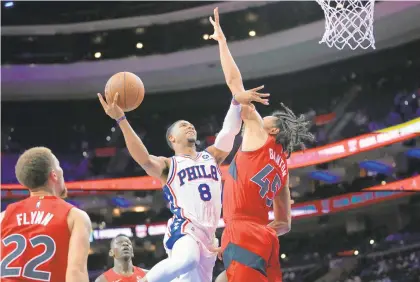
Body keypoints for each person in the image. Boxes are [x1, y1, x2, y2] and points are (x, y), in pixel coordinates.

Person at [98, 80, 268, 281]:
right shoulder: (169, 165)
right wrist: (121, 120)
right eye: (182, 126)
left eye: (190, 124)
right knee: (187, 260)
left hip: (209, 235)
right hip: (184, 228)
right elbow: (143, 158)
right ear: (172, 138)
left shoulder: (211, 156)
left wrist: (235, 103)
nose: (189, 126)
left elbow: (229, 132)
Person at [209, 7, 315, 282]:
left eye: (266, 116)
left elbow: (235, 84)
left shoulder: (259, 134)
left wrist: (222, 42)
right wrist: (260, 233)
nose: (259, 115)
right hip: (266, 240)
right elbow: (284, 224)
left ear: (275, 128)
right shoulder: (283, 167)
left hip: (243, 230)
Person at [0, 147, 92, 282]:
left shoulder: (3, 217)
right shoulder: (75, 217)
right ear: (54, 175)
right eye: (59, 167)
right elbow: (76, 272)